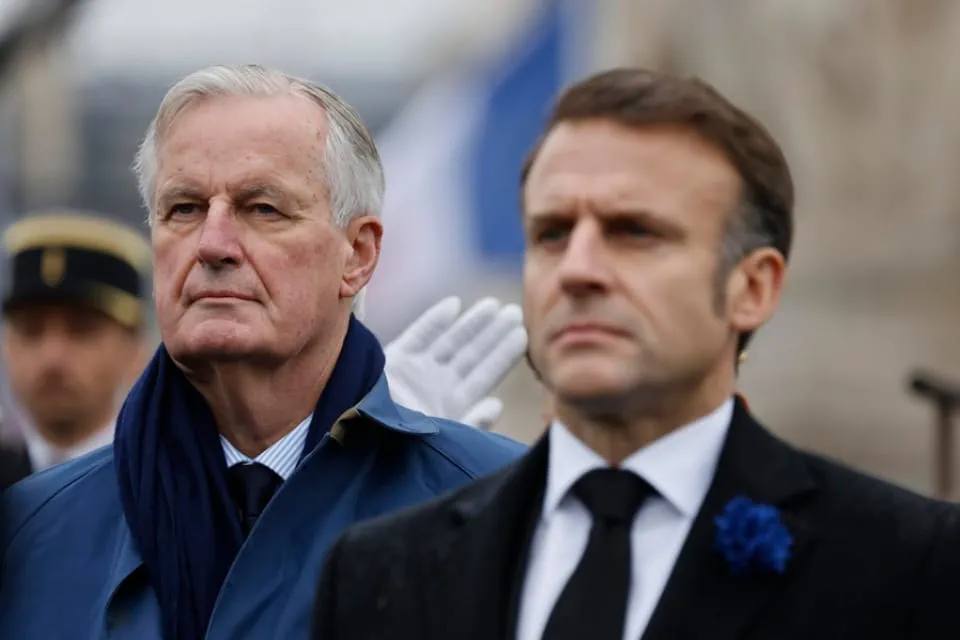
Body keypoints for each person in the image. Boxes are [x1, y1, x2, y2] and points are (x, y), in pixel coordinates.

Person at [311, 68, 960, 640]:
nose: (578, 269)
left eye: (635, 232)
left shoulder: (907, 561)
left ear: (752, 288)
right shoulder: (380, 569)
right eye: (552, 234)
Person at [0, 63, 526, 639]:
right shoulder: (30, 531)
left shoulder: (503, 508)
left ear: (358, 255)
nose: (213, 245)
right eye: (184, 208)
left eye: (262, 209)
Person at [0, 212, 152, 489]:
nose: (52, 356)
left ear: (135, 350)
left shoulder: (165, 486)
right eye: (31, 330)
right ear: (7, 345)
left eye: (82, 330)